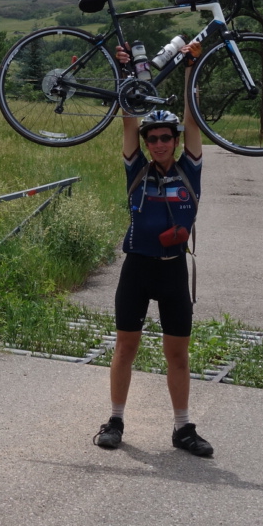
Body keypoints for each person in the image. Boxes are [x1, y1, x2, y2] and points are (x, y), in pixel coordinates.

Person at [93, 47, 212, 457]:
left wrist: (191, 69)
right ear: (146, 142)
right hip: (137, 269)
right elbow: (128, 118)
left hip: (173, 270)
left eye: (166, 138)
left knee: (177, 352)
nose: (159, 144)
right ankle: (115, 421)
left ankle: (183, 428)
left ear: (175, 141)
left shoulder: (189, 170)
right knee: (125, 346)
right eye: (153, 138)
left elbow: (192, 117)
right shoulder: (137, 169)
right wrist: (125, 68)